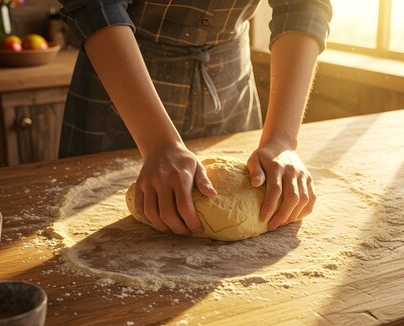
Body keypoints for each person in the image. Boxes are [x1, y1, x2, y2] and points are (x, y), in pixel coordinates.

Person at [58, 0, 333, 236]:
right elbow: (96, 5)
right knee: (81, 220)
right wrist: (156, 142)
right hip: (120, 87)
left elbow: (303, 6)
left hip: (228, 87)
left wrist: (282, 140)